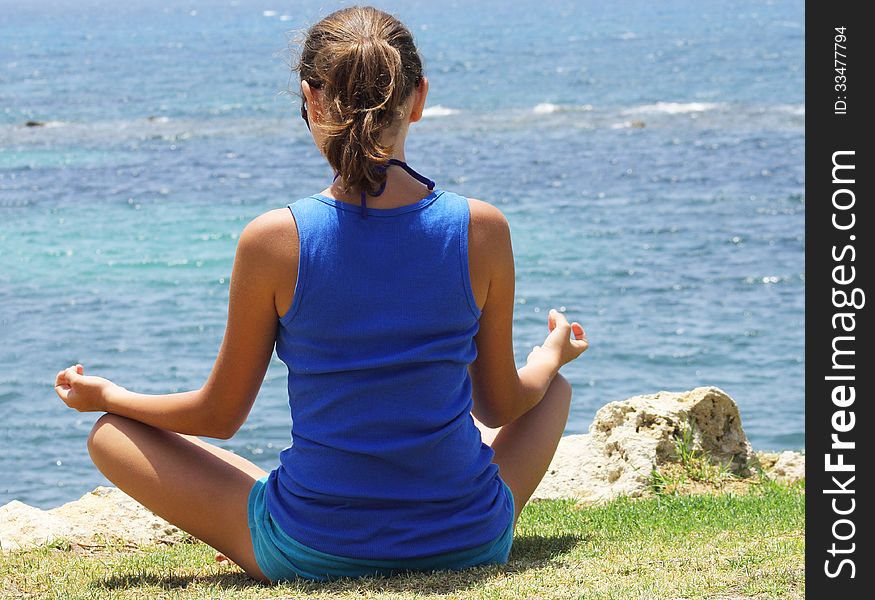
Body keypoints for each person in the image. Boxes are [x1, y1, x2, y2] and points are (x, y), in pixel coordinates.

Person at [53, 5, 588, 584]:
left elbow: (219, 415)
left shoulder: (274, 240)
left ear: (311, 100)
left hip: (313, 547)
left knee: (112, 433)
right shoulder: (482, 228)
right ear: (419, 98)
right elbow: (500, 406)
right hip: (468, 539)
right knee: (552, 390)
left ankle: (286, 514)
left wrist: (109, 393)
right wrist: (550, 354)